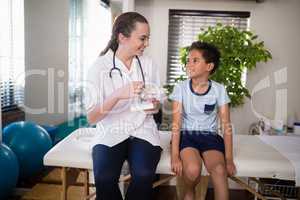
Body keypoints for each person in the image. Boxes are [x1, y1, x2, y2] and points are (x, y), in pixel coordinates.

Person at [85, 12, 162, 200]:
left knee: (143, 174)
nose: (147, 44)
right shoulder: (99, 67)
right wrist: (119, 94)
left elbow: (157, 104)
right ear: (122, 37)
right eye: (142, 38)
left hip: (142, 129)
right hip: (111, 130)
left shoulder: (148, 64)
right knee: (104, 177)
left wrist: (154, 106)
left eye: (147, 38)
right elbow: (92, 118)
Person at [170, 41, 236, 200]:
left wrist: (228, 159)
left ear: (209, 66)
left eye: (195, 60)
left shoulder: (219, 90)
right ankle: (189, 190)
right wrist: (174, 155)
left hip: (209, 136)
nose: (189, 64)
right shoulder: (180, 88)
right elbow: (176, 124)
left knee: (220, 170)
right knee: (192, 169)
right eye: (188, 60)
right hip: (187, 135)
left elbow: (226, 125)